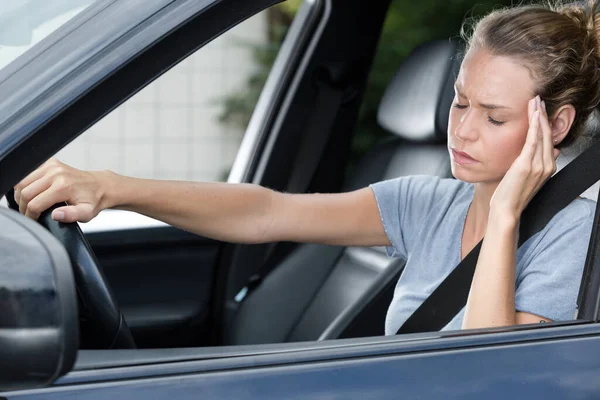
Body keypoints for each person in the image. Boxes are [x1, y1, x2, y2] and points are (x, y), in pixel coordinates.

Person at [12, 0, 600, 334]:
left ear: (555, 125)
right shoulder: (431, 203)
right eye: (460, 102)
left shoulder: (577, 238)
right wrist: (113, 189)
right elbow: (268, 212)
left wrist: (503, 221)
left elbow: (491, 378)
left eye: (494, 118)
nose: (463, 130)